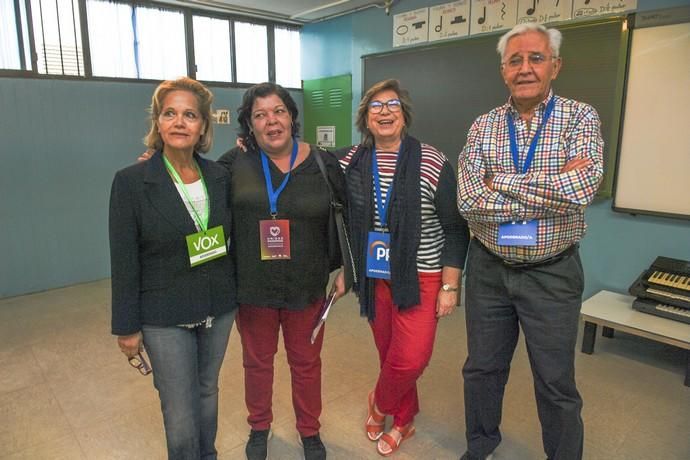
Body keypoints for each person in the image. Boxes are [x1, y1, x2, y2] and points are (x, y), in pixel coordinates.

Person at [457, 24, 604, 460]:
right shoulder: (482, 125)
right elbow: (468, 199)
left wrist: (498, 182)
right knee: (481, 370)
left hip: (552, 272)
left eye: (536, 58)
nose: (526, 68)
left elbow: (580, 189)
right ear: (503, 71)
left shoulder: (581, 117)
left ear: (554, 66)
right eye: (515, 60)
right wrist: (548, 189)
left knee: (555, 380)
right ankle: (480, 446)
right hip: (488, 269)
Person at [216, 82, 347, 460]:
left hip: (307, 287)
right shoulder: (233, 163)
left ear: (292, 116)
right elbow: (195, 186)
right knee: (256, 363)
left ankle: (310, 430)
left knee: (306, 364)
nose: (271, 121)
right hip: (253, 287)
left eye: (278, 111)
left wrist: (345, 271)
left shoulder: (323, 163)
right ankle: (259, 426)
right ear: (249, 125)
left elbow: (346, 215)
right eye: (260, 115)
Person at [340, 79, 470, 457]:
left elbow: (455, 228)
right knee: (390, 354)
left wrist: (450, 286)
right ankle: (404, 419)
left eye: (392, 105)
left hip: (422, 277)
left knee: (411, 357)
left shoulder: (432, 160)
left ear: (404, 114)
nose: (384, 112)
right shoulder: (350, 161)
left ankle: (379, 403)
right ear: (365, 117)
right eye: (375, 106)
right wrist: (251, 148)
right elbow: (303, 163)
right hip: (375, 276)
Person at [109, 77, 237, 459]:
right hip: (164, 314)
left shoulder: (219, 177)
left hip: (218, 306)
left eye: (190, 115)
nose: (180, 122)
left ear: (202, 127)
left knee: (207, 393)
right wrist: (126, 326)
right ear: (158, 123)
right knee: (180, 413)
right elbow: (124, 259)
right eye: (170, 113)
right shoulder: (132, 182)